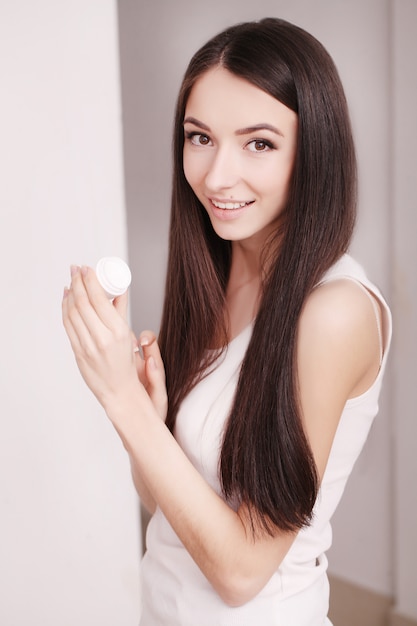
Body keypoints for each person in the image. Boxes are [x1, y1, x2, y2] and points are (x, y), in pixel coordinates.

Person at [62, 17, 392, 626]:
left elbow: (243, 573)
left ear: (313, 152)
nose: (216, 176)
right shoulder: (213, 274)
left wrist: (120, 402)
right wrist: (149, 416)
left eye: (259, 143)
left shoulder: (335, 311)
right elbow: (163, 503)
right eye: (199, 137)